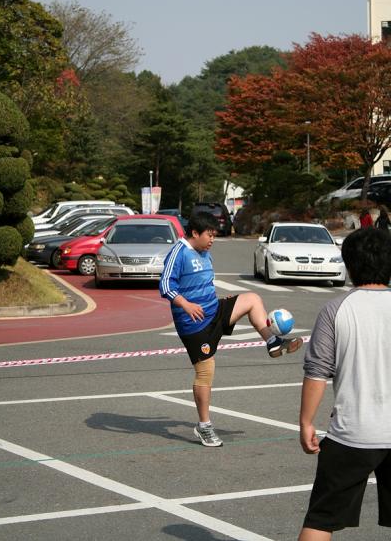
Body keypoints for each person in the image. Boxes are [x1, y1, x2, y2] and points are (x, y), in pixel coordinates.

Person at [159, 211, 302, 448]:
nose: (213, 239)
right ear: (195, 233)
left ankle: (272, 342)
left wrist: (215, 299)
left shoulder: (205, 254)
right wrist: (186, 304)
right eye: (209, 234)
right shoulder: (179, 252)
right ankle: (204, 427)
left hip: (214, 310)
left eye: (215, 235)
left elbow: (200, 282)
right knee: (205, 373)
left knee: (252, 299)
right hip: (194, 324)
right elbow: (165, 284)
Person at [298, 227, 391, 540]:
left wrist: (306, 422)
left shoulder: (336, 310)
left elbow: (317, 371)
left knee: (321, 520)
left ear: (349, 266)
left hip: (351, 433)